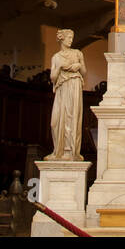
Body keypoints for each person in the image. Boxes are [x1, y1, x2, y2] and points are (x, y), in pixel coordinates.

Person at [44, 29, 86, 161]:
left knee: (71, 117)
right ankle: (58, 150)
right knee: (55, 121)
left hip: (74, 84)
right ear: (62, 39)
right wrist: (59, 67)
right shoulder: (56, 57)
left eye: (72, 38)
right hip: (62, 88)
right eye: (68, 38)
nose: (71, 40)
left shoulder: (78, 53)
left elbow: (84, 72)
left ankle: (70, 151)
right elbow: (53, 77)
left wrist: (79, 65)